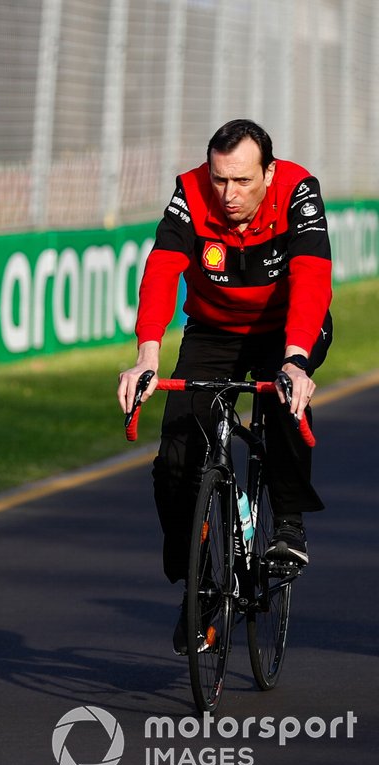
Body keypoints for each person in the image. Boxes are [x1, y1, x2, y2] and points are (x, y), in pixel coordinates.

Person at [115, 119, 332, 654]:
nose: (228, 194)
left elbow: (311, 275)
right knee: (175, 457)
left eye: (241, 181)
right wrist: (147, 354)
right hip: (212, 331)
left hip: (288, 330)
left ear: (269, 173)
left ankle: (286, 523)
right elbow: (163, 269)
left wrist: (296, 358)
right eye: (220, 180)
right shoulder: (190, 191)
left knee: (284, 398)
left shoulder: (298, 190)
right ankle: (200, 577)